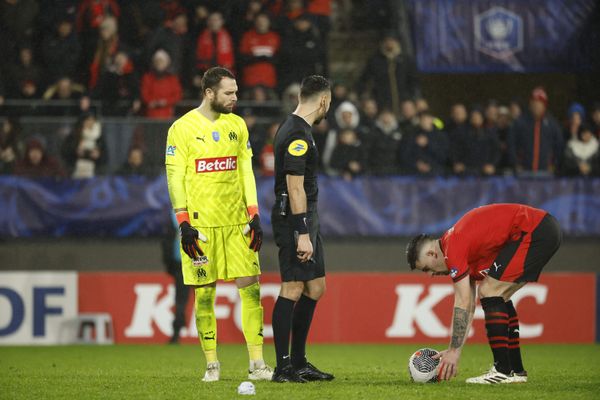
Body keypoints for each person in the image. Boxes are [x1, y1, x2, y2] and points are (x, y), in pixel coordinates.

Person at [164, 67, 272, 382]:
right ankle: (212, 365)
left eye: (236, 92)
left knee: (251, 291)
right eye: (229, 93)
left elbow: (245, 172)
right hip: (201, 227)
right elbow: (175, 177)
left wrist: (254, 214)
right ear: (209, 93)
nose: (235, 98)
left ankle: (257, 363)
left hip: (237, 223)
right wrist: (182, 222)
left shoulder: (237, 126)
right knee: (204, 295)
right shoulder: (181, 128)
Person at [406, 203, 562, 384]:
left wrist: (454, 351)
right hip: (541, 229)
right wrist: (454, 350)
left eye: (426, 268)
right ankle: (515, 371)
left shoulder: (454, 247)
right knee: (496, 295)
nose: (430, 275)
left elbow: (463, 301)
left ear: (432, 254)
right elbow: (469, 306)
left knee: (489, 291)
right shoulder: (459, 248)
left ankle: (502, 370)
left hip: (534, 231)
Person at [270, 75, 335, 383]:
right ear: (323, 101)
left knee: (316, 287)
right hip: (294, 218)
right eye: (329, 103)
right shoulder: (297, 133)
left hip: (307, 216)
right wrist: (302, 232)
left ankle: (299, 362)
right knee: (293, 288)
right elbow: (295, 187)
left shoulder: (301, 129)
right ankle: (283, 367)